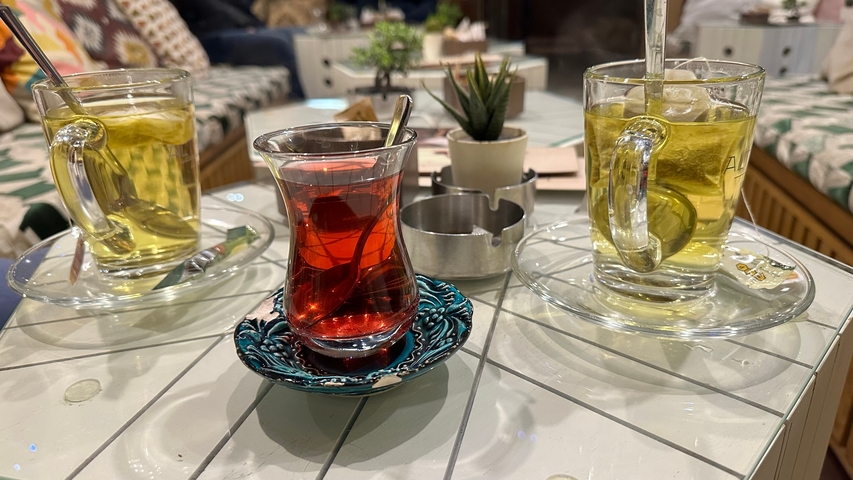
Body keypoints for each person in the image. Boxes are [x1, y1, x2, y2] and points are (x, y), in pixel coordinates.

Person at [169, 0, 306, 98]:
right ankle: (301, 102)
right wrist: (246, 26)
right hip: (211, 35)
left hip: (245, 27)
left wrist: (254, 25)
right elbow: (209, 9)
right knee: (279, 44)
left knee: (306, 33)